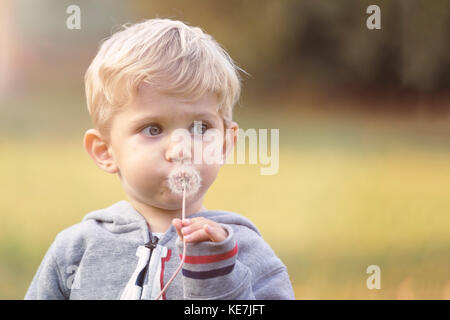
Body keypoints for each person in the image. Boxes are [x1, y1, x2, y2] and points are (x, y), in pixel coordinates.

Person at [24, 18, 295, 300]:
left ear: (225, 143)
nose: (181, 149)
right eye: (153, 129)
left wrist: (219, 279)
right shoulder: (77, 251)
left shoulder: (246, 253)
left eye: (201, 128)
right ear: (105, 151)